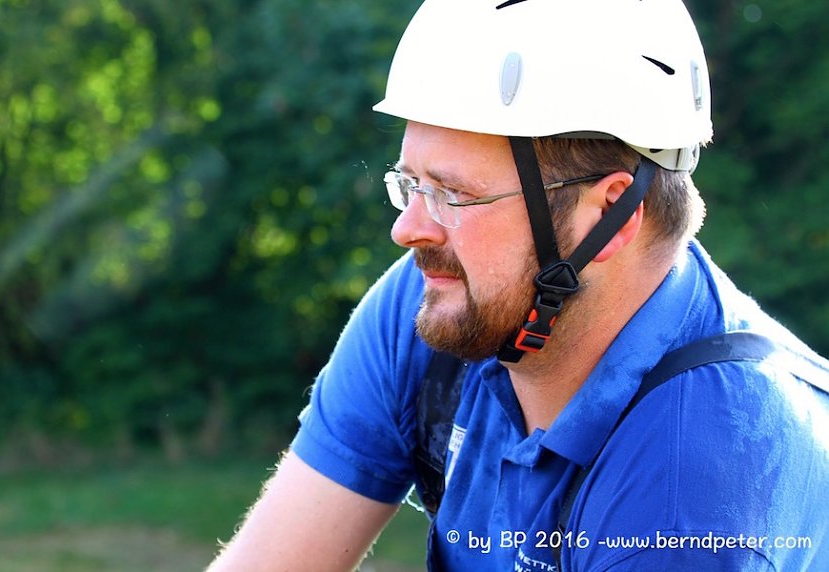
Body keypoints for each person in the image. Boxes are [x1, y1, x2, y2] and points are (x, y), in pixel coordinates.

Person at [207, 0, 829, 570]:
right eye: (411, 184)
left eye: (454, 194)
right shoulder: (436, 305)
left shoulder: (696, 486)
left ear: (608, 215)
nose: (408, 229)